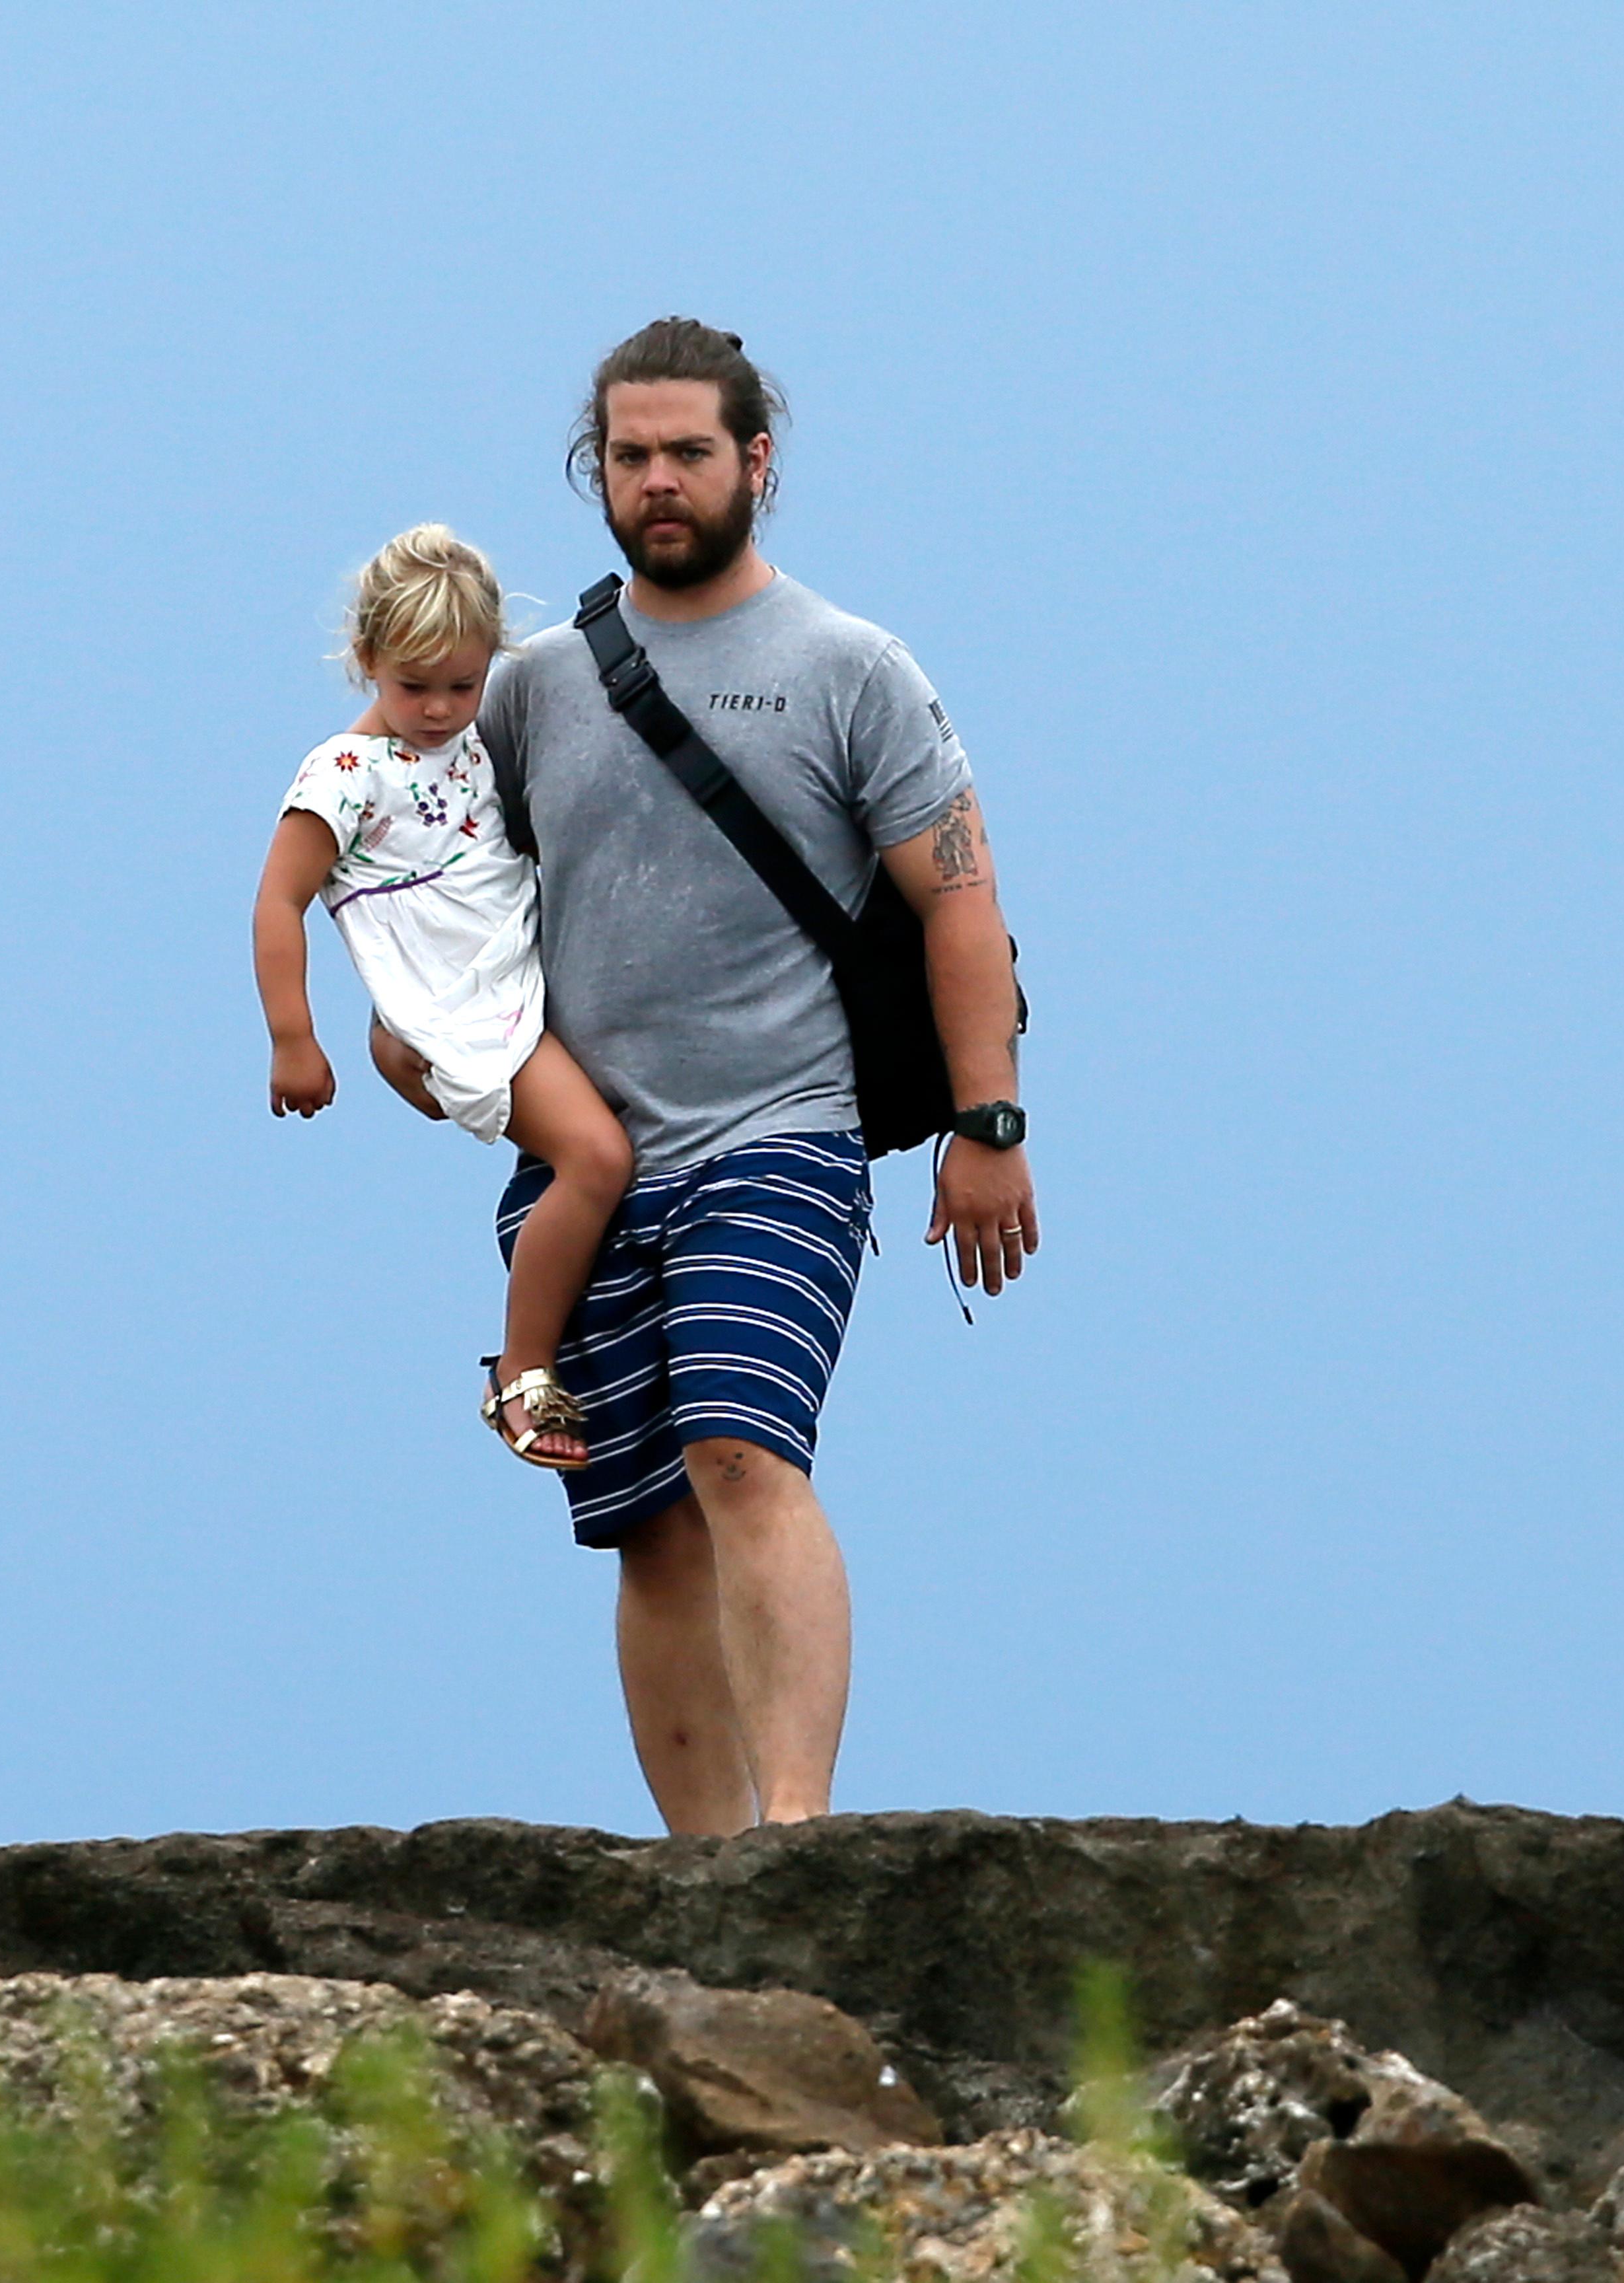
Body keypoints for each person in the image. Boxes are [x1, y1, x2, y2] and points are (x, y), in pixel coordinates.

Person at [427, 318, 1038, 1836]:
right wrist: (406, 1032)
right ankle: (703, 1867)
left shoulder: (850, 668)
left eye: (688, 451)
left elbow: (960, 897)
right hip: (584, 1159)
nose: (659, 481)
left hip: (782, 1130)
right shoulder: (530, 687)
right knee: (641, 1519)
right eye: (629, 456)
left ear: (754, 460)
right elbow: (446, 901)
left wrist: (988, 1120)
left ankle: (797, 1831)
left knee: (739, 1443)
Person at [254, 526, 634, 1470]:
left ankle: (398, 1050)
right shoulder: (345, 776)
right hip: (462, 1007)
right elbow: (278, 901)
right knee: (595, 1158)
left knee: (614, 1139)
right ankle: (522, 1372)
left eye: (462, 686)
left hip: (524, 964)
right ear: (367, 660)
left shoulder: (479, 740)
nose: (438, 708)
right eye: (413, 686)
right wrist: (294, 1039)